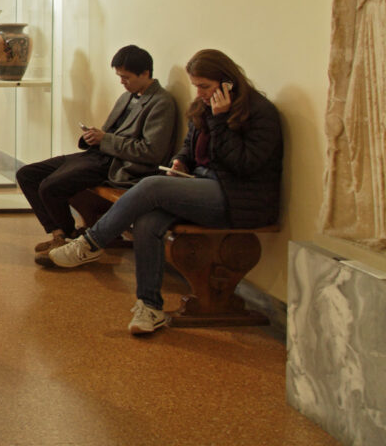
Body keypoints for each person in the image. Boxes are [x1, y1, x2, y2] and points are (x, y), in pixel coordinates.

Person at [44, 49, 283, 335]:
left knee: (152, 185)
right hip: (203, 186)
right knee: (148, 221)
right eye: (196, 86)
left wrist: (220, 122)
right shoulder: (204, 107)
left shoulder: (260, 113)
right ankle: (150, 307)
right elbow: (189, 147)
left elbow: (244, 165)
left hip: (239, 199)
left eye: (205, 86)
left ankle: (90, 243)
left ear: (228, 83)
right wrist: (180, 163)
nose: (200, 93)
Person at [17, 45, 177, 253]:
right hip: (99, 155)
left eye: (126, 77)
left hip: (118, 164)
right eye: (120, 77)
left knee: (50, 187)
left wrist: (105, 139)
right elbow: (111, 133)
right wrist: (93, 137)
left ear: (145, 73)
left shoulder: (161, 102)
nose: (122, 82)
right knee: (27, 174)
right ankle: (59, 233)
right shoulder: (127, 96)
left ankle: (67, 239)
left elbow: (151, 151)